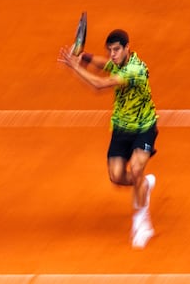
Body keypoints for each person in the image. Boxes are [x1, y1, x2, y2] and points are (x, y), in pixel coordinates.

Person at [58, 29, 158, 249]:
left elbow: (99, 85)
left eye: (116, 50)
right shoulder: (118, 62)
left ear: (127, 48)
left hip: (143, 127)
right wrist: (83, 56)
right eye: (110, 50)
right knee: (116, 177)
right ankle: (143, 186)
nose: (112, 54)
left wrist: (74, 66)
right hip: (121, 129)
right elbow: (102, 63)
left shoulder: (134, 70)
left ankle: (142, 222)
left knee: (137, 169)